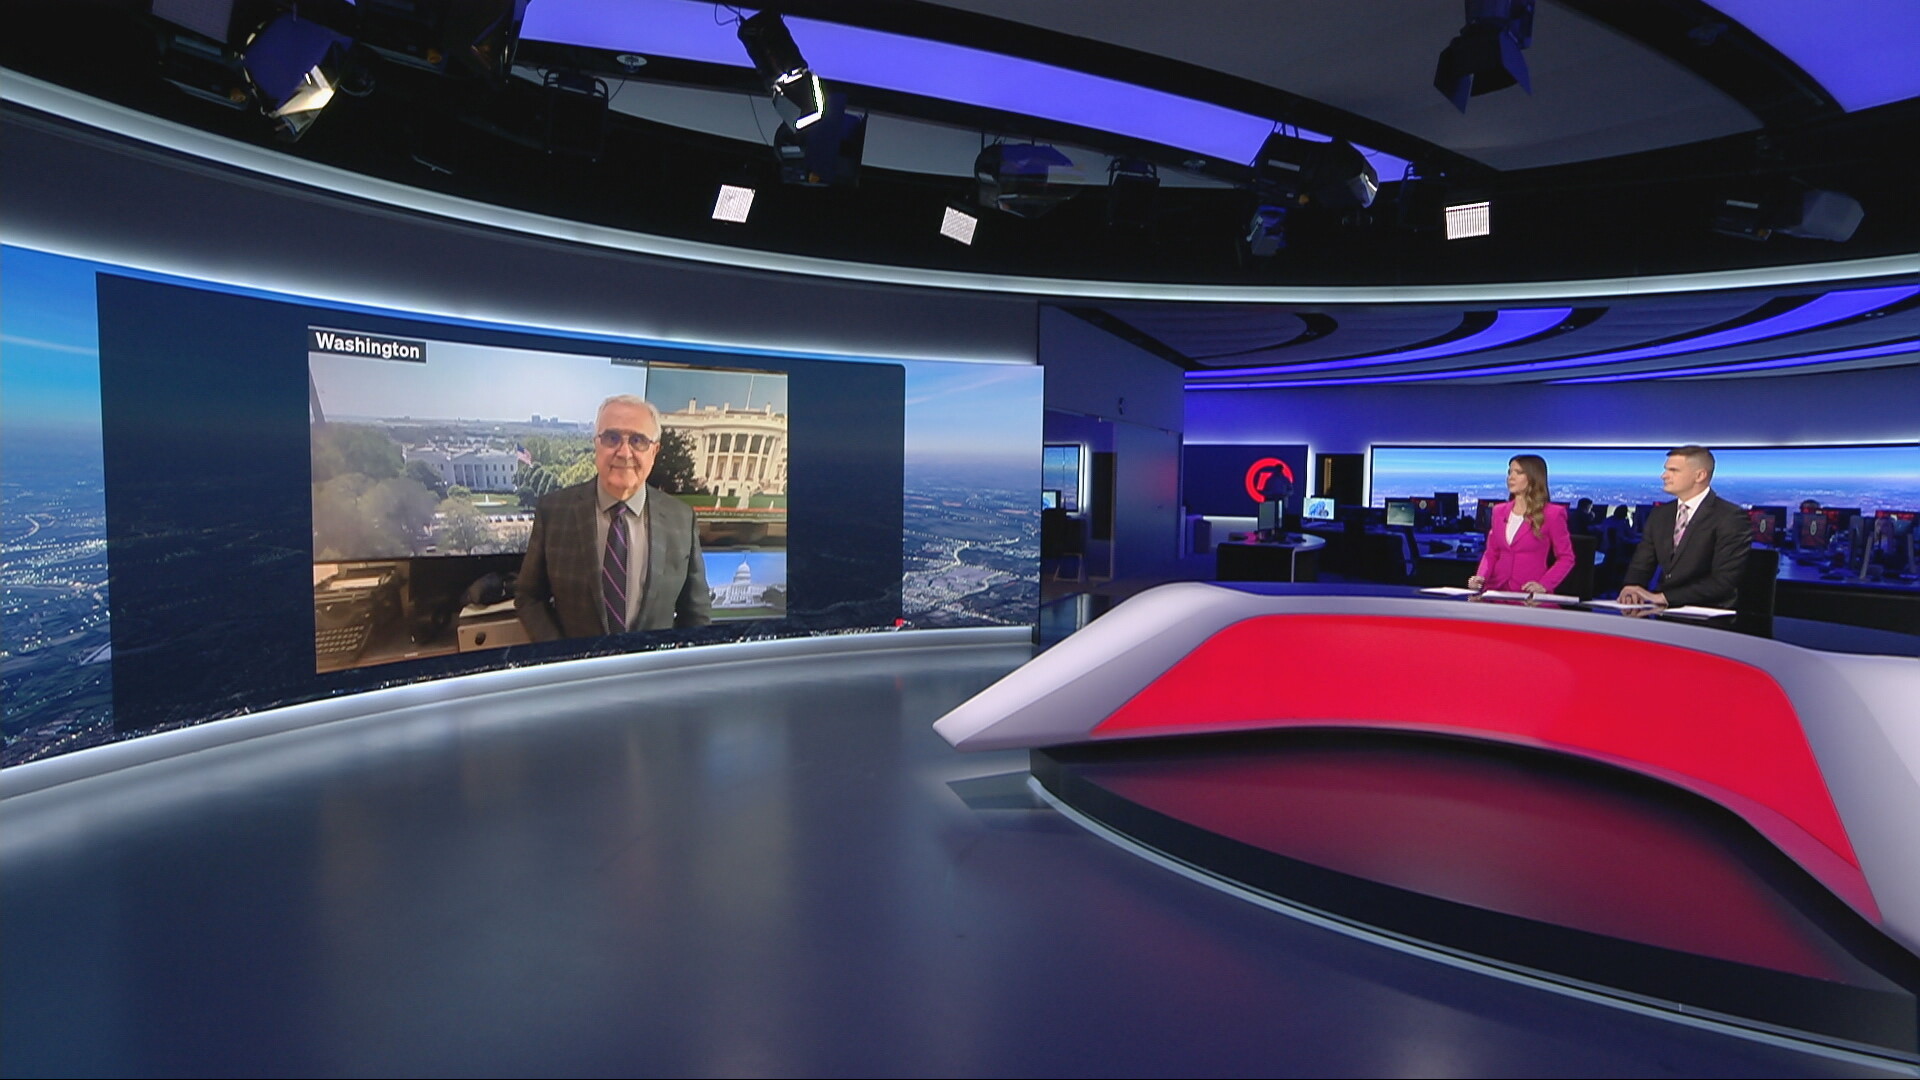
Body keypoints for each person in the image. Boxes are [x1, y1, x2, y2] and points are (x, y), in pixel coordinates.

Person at [517, 395, 711, 640]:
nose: (624, 452)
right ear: (596, 444)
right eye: (612, 438)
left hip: (653, 663)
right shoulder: (554, 511)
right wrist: (559, 653)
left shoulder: (681, 519)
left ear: (654, 451)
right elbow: (529, 597)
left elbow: (696, 612)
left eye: (638, 440)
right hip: (576, 662)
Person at [1619, 445, 1750, 609]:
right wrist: (1631, 588)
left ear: (1700, 476)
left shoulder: (1730, 517)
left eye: (1673, 470)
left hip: (1709, 613)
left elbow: (1724, 581)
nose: (1664, 476)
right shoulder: (1660, 515)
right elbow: (1641, 564)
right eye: (1666, 469)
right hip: (1663, 612)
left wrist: (1663, 597)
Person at [1468, 454, 1573, 594]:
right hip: (1496, 590)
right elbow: (1491, 553)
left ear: (1533, 477)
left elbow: (1566, 558)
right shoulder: (1499, 511)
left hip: (1529, 594)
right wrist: (1480, 577)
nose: (1511, 477)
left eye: (1518, 472)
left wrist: (1544, 585)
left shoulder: (1552, 514)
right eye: (1510, 472)